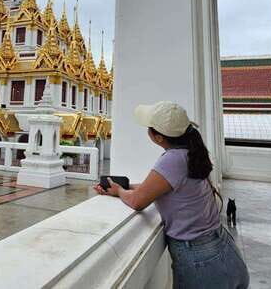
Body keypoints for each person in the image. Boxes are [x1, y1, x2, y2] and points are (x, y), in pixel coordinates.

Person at [95, 101, 249, 289]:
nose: (147, 131)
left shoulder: (172, 159)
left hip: (201, 262)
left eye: (149, 128)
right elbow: (159, 187)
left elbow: (137, 202)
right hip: (225, 250)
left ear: (158, 138)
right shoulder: (191, 153)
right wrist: (124, 187)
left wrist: (120, 192)